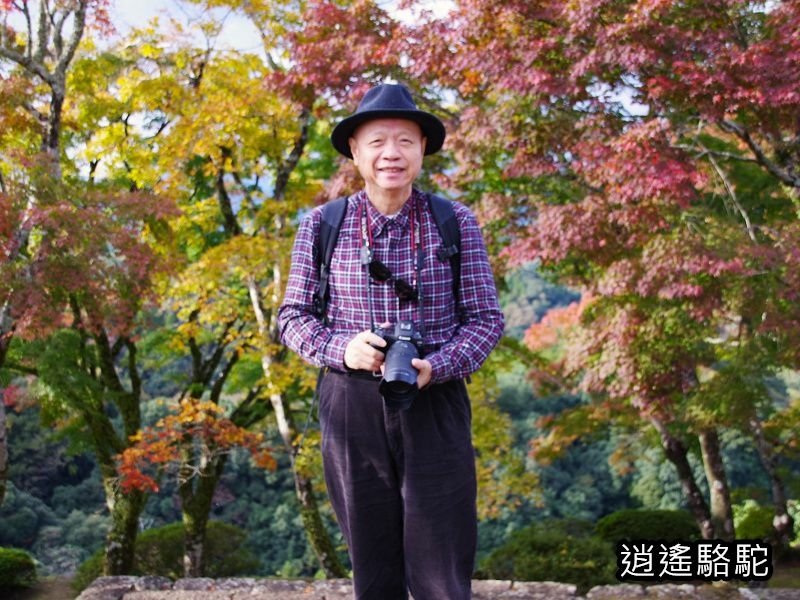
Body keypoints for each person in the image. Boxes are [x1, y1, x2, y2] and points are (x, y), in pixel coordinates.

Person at [278, 82, 504, 600]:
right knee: (372, 561)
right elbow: (292, 316)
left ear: (422, 149)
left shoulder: (455, 221)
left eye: (404, 141)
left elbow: (486, 319)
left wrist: (439, 364)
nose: (391, 154)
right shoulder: (321, 225)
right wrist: (343, 350)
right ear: (355, 151)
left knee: (442, 561)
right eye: (376, 141)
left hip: (435, 397)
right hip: (350, 401)